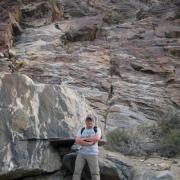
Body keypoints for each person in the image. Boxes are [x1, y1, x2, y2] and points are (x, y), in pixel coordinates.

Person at [72, 114, 101, 180]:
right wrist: (89, 143)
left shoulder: (97, 129)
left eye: (91, 120)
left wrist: (83, 140)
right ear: (85, 121)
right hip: (81, 154)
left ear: (93, 122)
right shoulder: (81, 130)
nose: (89, 122)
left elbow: (97, 138)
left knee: (95, 173)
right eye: (88, 120)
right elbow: (77, 140)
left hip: (93, 154)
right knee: (76, 172)